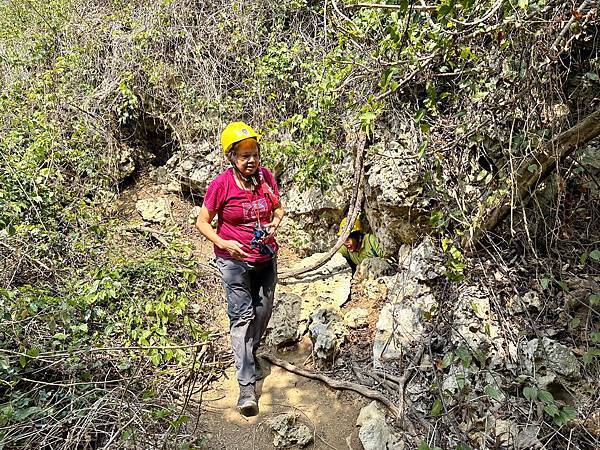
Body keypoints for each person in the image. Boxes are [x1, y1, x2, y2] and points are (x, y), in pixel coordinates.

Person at [196, 121, 284, 416]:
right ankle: (246, 386)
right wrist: (225, 243)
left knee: (263, 312)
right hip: (233, 261)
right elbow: (202, 223)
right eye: (244, 155)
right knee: (242, 318)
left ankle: (251, 352)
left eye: (255, 154)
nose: (251, 160)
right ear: (231, 156)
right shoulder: (221, 185)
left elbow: (279, 208)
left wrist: (274, 223)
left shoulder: (266, 178)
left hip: (265, 258)